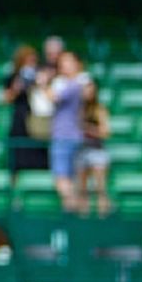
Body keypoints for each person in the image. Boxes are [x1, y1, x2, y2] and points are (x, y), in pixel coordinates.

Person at [46, 51, 88, 212]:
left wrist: (44, 84)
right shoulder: (76, 83)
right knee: (70, 180)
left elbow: (52, 97)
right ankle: (72, 214)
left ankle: (75, 211)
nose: (64, 65)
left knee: (62, 179)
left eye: (68, 61)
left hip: (65, 136)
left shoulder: (74, 84)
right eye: (62, 62)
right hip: (72, 136)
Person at [3, 46, 49, 179]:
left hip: (38, 118)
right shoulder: (13, 77)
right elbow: (6, 99)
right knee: (18, 155)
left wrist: (40, 83)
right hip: (20, 118)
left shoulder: (41, 74)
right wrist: (17, 87)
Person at [76, 79, 112, 217]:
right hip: (81, 150)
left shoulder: (99, 109)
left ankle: (102, 218)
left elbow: (106, 132)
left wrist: (88, 129)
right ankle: (83, 220)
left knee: (100, 188)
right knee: (82, 189)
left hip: (97, 150)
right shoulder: (78, 109)